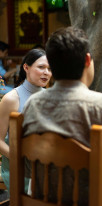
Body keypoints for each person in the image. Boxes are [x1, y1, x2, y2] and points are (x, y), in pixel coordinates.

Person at [22, 26, 102, 206]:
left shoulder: (33, 104)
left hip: (46, 198)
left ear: (52, 65)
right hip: (93, 201)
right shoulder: (101, 105)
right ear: (88, 60)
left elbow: (28, 169)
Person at [0, 48, 52, 192]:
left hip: (45, 167)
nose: (46, 72)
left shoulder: (50, 97)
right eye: (41, 67)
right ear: (26, 67)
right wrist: (21, 158)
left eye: (49, 68)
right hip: (18, 168)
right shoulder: (11, 99)